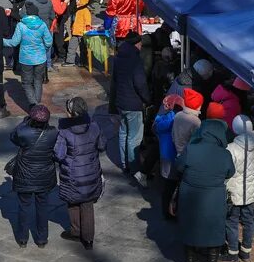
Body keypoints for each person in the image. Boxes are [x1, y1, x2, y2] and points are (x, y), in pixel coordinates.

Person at [175, 114, 235, 262]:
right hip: (214, 197)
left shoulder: (191, 149)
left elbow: (178, 166)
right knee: (214, 229)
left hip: (190, 195)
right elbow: (231, 172)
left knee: (190, 227)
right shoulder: (225, 154)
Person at [54, 96, 105, 250]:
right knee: (87, 205)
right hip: (91, 173)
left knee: (73, 203)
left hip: (72, 176)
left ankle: (76, 232)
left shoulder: (64, 132)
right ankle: (88, 240)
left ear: (71, 112)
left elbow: (58, 154)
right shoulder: (94, 127)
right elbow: (102, 145)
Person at [10, 103, 59, 248]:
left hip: (25, 175)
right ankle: (42, 239)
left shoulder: (24, 132)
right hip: (44, 176)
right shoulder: (53, 132)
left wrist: (23, 122)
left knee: (24, 207)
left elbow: (13, 137)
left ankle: (22, 238)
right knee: (42, 207)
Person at [225, 115, 254, 262]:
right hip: (251, 191)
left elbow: (226, 172)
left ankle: (232, 252)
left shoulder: (231, 148)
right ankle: (246, 251)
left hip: (234, 192)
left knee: (231, 221)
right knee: (249, 221)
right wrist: (253, 174)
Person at [109, 31, 151, 187]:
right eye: (140, 43)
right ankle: (135, 168)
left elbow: (114, 82)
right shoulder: (136, 60)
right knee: (134, 137)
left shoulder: (119, 57)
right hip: (133, 104)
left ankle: (125, 164)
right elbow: (140, 84)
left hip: (121, 103)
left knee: (123, 133)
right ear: (136, 44)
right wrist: (147, 99)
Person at [4, 6, 52, 108]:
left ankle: (34, 105)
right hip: (40, 58)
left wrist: (2, 41)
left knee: (27, 83)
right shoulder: (42, 24)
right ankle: (37, 104)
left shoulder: (21, 25)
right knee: (38, 81)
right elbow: (49, 41)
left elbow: (14, 42)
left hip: (26, 59)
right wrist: (44, 50)